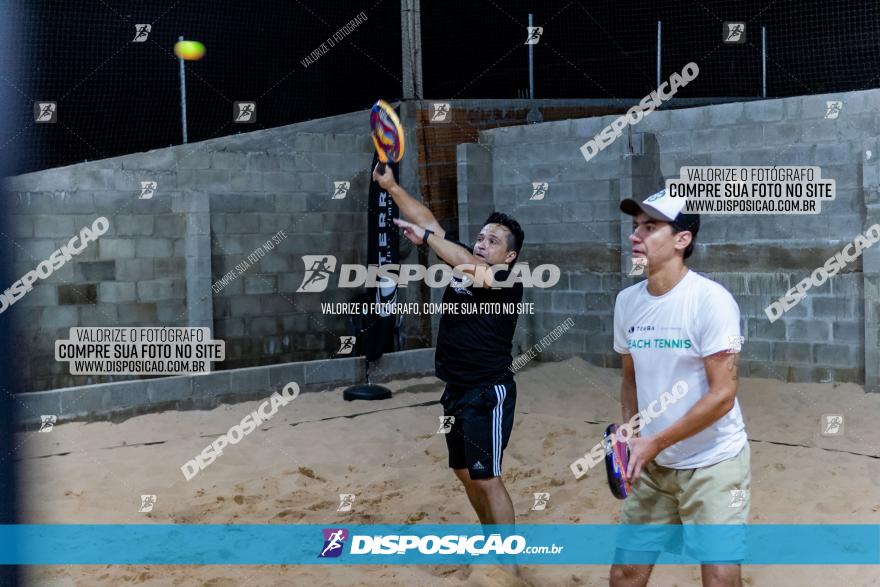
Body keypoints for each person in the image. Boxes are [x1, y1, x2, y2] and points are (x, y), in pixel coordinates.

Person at [609, 188, 750, 587]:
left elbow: (723, 396)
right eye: (636, 226)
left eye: (650, 227)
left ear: (682, 240)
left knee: (720, 579)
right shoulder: (627, 302)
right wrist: (633, 438)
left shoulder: (711, 301)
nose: (635, 236)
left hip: (714, 461)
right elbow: (630, 377)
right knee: (624, 576)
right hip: (653, 466)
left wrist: (656, 442)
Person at [372, 163, 525, 527]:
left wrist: (427, 241)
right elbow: (428, 222)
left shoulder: (505, 279)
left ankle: (511, 562)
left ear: (509, 256)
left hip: (488, 390)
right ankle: (493, 543)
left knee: (487, 477)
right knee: (464, 472)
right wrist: (392, 187)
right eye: (481, 237)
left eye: (493, 241)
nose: (483, 243)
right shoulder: (464, 263)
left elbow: (446, 248)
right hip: (455, 388)